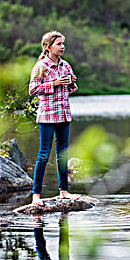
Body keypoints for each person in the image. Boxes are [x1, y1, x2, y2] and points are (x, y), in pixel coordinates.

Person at [29, 31, 79, 206]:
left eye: (63, 44)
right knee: (43, 155)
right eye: (58, 44)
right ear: (48, 47)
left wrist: (71, 82)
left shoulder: (66, 66)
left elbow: (71, 90)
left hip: (64, 114)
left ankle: (64, 191)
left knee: (62, 155)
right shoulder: (40, 66)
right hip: (47, 116)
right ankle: (36, 195)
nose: (62, 47)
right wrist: (55, 84)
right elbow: (33, 90)